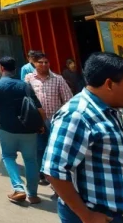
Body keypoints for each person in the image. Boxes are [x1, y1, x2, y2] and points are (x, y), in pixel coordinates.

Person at [43, 52, 123, 223]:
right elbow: (54, 171)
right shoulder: (77, 114)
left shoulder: (109, 111)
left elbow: (117, 163)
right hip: (100, 216)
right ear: (109, 84)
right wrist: (86, 215)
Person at [0, 56, 46, 205]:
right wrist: (41, 125)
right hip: (28, 130)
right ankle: (33, 195)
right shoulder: (25, 86)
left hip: (7, 130)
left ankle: (18, 188)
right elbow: (40, 109)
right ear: (15, 69)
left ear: (1, 68)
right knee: (31, 160)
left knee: (8, 157)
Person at [25, 52, 73, 187]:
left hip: (55, 120)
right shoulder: (29, 79)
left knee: (55, 148)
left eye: (46, 62)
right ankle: (42, 174)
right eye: (40, 62)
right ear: (34, 64)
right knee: (39, 148)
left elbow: (68, 99)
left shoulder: (58, 79)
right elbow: (25, 99)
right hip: (37, 121)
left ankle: (56, 175)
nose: (44, 64)